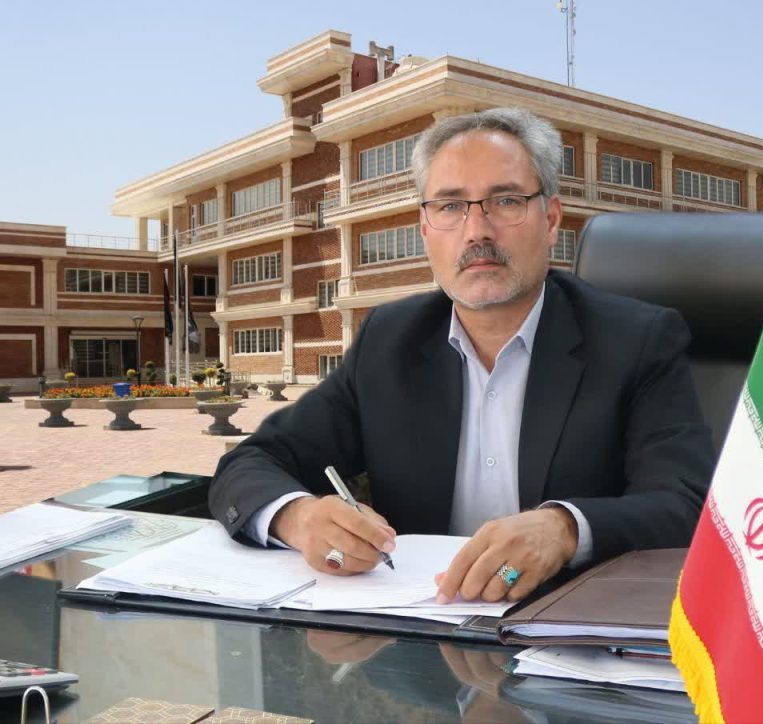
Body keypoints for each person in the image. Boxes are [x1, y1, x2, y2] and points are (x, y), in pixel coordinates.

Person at [208, 107, 713, 604]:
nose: (477, 231)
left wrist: (565, 529)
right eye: (450, 206)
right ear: (425, 229)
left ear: (551, 219)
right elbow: (251, 462)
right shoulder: (390, 341)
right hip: (419, 624)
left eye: (506, 201)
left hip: (571, 627)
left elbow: (688, 505)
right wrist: (299, 517)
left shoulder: (635, 339)